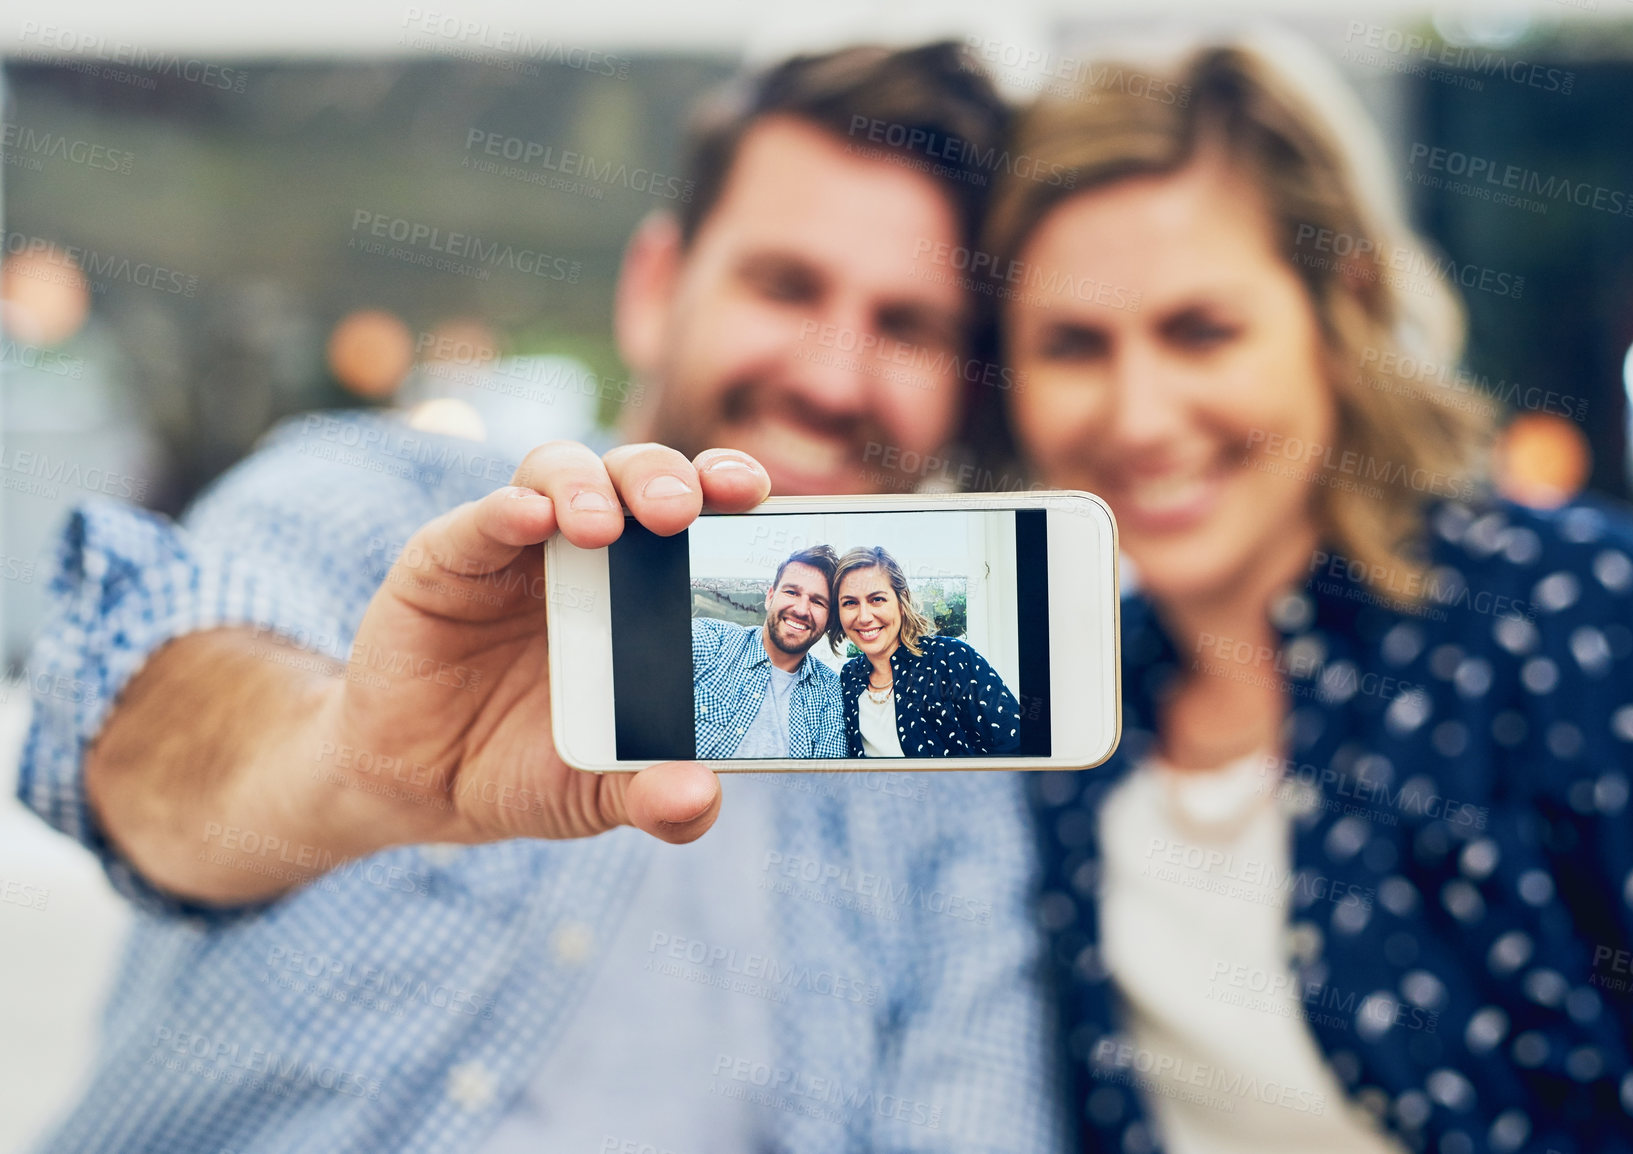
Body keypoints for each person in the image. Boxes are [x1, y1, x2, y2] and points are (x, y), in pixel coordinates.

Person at [17, 42, 1062, 1153]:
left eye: (909, 325)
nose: (832, 373)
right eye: (785, 286)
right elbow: (136, 715)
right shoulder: (397, 514)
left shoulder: (950, 791)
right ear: (656, 290)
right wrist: (342, 754)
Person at [985, 35, 1633, 1154]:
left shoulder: (1570, 612)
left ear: (1342, 304)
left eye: (1202, 330)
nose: (1138, 414)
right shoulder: (1055, 723)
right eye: (1072, 345)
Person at [833, 545, 1020, 757]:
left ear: (901, 602)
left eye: (877, 599)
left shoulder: (951, 658)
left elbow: (1015, 744)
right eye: (850, 603)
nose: (864, 616)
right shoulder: (849, 677)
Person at [692, 544, 845, 758]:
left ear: (829, 620)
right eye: (792, 592)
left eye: (817, 602)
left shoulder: (829, 690)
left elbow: (827, 782)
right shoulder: (714, 640)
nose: (801, 610)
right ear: (769, 596)